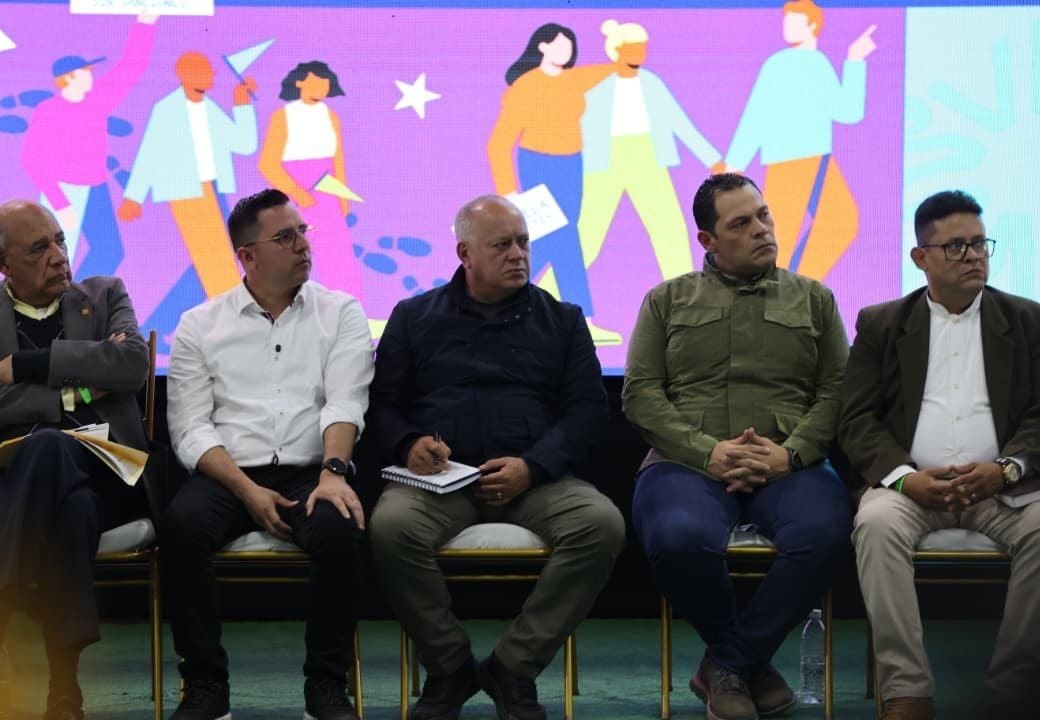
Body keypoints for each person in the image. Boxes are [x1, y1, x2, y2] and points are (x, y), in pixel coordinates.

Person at [368, 194, 624, 720]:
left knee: (601, 524)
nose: (518, 255)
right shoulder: (414, 317)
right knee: (391, 528)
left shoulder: (563, 320)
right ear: (465, 253)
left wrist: (534, 466)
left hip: (536, 478)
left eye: (524, 243)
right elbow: (382, 405)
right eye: (502, 245)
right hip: (443, 480)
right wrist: (409, 443)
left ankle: (513, 666)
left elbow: (588, 411)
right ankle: (449, 667)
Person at [623, 173, 852, 720]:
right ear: (708, 239)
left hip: (791, 464)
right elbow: (640, 394)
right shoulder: (666, 299)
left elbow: (839, 390)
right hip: (687, 463)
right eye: (741, 223)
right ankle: (750, 666)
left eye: (764, 215)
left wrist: (791, 453)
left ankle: (727, 663)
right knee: (678, 538)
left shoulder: (815, 299)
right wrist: (707, 451)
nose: (762, 230)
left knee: (824, 535)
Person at [838, 190, 1040, 720]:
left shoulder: (1030, 320)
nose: (973, 256)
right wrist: (904, 478)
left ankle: (1015, 688)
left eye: (980, 244)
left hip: (1002, 487)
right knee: (875, 524)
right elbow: (856, 419)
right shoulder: (882, 324)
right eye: (956, 247)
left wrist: (1004, 470)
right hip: (912, 488)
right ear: (921, 257)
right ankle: (907, 691)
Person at [162, 189, 373, 720]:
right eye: (285, 237)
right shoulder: (200, 324)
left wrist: (333, 472)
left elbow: (346, 400)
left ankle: (326, 684)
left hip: (312, 470)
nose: (303, 245)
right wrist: (246, 490)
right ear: (248, 256)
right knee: (182, 527)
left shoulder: (341, 312)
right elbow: (189, 427)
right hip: (228, 474)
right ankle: (205, 686)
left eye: (303, 232)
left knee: (340, 527)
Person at [0, 200, 149, 720]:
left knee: (48, 446)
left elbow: (131, 365)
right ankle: (64, 690)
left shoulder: (105, 294)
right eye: (38, 248)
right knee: (72, 508)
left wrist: (21, 367)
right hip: (18, 482)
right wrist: (79, 389)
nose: (59, 256)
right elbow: (107, 369)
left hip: (111, 469)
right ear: (5, 264)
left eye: (60, 240)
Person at [486, 23, 621, 345]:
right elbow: (498, 143)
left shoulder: (573, 80)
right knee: (564, 236)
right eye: (559, 45)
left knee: (553, 238)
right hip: (538, 163)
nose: (566, 51)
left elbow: (607, 71)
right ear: (542, 46)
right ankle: (583, 318)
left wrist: (617, 45)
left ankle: (496, 299)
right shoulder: (526, 86)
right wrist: (508, 190)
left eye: (569, 46)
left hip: (572, 164)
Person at [724, 0, 876, 280]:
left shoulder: (818, 62)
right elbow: (757, 114)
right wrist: (735, 161)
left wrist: (855, 59)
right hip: (788, 159)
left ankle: (797, 285)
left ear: (812, 26)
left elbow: (848, 112)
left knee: (841, 220)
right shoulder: (779, 63)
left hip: (818, 157)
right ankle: (780, 290)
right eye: (787, 20)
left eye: (794, 21)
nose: (787, 26)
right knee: (779, 234)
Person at [120, 51, 258, 343]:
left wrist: (242, 105)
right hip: (187, 192)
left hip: (215, 190)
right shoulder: (167, 110)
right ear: (186, 74)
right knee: (218, 263)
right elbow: (149, 153)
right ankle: (235, 332)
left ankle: (159, 325)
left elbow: (244, 144)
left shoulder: (210, 108)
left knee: (208, 262)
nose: (212, 75)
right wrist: (134, 196)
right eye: (205, 70)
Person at [578, 19, 726, 284]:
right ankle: (543, 293)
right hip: (606, 162)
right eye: (633, 47)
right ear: (618, 50)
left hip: (646, 157)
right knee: (588, 235)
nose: (640, 52)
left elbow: (679, 123)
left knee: (669, 228)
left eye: (642, 47)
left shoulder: (651, 83)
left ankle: (687, 294)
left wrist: (712, 159)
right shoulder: (596, 87)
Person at [20, 14, 158, 278]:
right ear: (69, 78)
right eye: (86, 72)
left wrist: (145, 23)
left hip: (95, 187)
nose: (91, 76)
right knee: (53, 257)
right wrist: (61, 203)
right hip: (63, 189)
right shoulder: (48, 111)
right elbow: (33, 160)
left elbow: (131, 67)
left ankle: (74, 294)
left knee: (110, 250)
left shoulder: (96, 101)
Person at [259, 61, 359, 295]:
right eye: (317, 81)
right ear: (300, 82)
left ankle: (347, 307)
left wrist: (342, 200)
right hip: (293, 198)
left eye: (326, 83)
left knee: (339, 257)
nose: (322, 87)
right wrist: (297, 193)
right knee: (290, 256)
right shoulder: (283, 117)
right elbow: (268, 165)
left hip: (328, 196)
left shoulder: (331, 116)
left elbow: (338, 161)